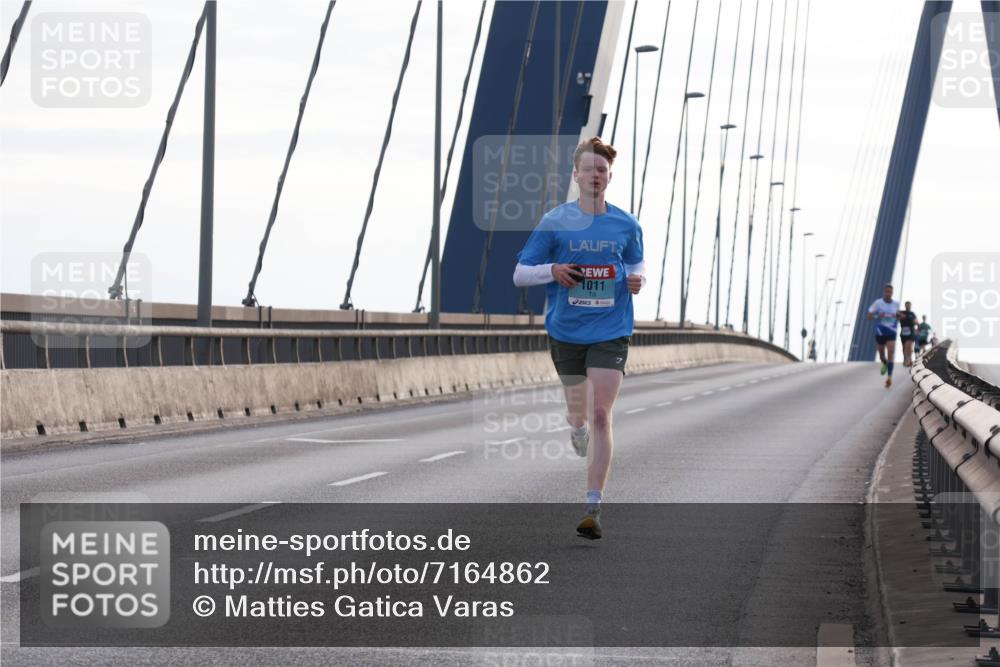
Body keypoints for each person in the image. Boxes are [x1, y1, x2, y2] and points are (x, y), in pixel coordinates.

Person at [512, 137, 645, 540]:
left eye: (601, 170)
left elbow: (636, 267)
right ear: (576, 175)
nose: (594, 176)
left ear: (609, 176)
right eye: (588, 169)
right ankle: (575, 427)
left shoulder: (627, 224)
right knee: (579, 413)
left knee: (602, 413)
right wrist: (552, 270)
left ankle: (593, 506)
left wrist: (637, 281)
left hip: (612, 328)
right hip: (566, 331)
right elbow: (520, 274)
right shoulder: (555, 221)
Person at [866, 283, 901, 388]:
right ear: (884, 292)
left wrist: (899, 316)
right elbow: (869, 316)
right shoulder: (878, 303)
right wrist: (877, 315)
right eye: (887, 292)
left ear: (892, 293)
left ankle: (889, 377)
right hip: (880, 331)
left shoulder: (896, 304)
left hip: (892, 331)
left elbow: (898, 316)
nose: (888, 294)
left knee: (891, 352)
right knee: (882, 355)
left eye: (890, 292)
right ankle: (884, 363)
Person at [898, 301, 918, 367]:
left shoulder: (912, 314)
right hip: (903, 332)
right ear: (905, 305)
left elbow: (916, 322)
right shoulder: (901, 312)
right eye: (907, 305)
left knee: (909, 346)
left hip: (911, 332)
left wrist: (913, 320)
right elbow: (897, 316)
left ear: (911, 306)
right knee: (904, 347)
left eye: (909, 305)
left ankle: (909, 360)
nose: (908, 306)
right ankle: (905, 358)